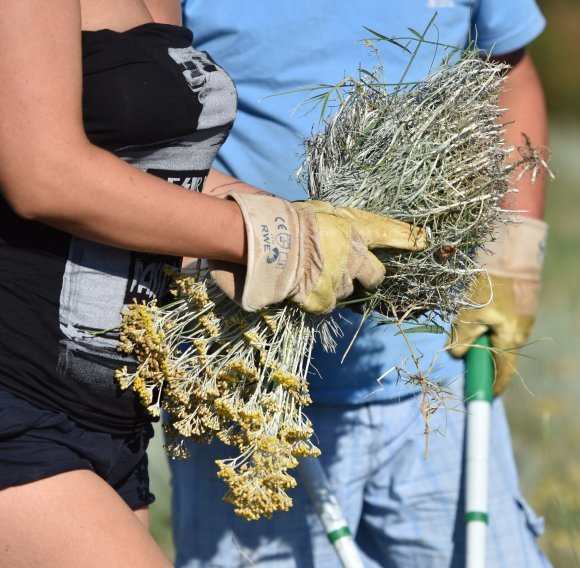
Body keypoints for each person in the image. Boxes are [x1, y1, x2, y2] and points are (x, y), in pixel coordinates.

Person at [0, 1, 423, 565]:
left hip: (107, 414)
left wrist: (294, 218)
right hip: (16, 394)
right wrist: (275, 241)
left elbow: (148, 163)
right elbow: (43, 173)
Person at [173, 1, 551, 566]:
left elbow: (511, 76)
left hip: (438, 384)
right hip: (251, 394)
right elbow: (143, 131)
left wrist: (513, 259)